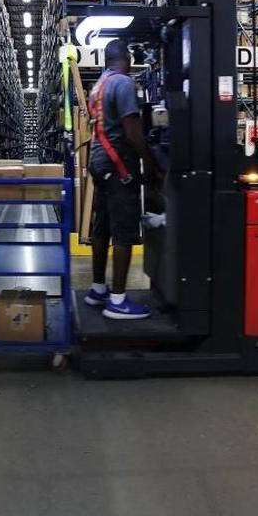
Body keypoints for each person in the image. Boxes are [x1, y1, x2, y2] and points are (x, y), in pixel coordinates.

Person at [83, 38, 162, 319]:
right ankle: (117, 301)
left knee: (102, 227)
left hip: (99, 162)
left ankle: (97, 289)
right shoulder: (124, 83)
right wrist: (151, 163)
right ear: (125, 58)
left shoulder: (98, 86)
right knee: (124, 232)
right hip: (119, 167)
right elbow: (132, 132)